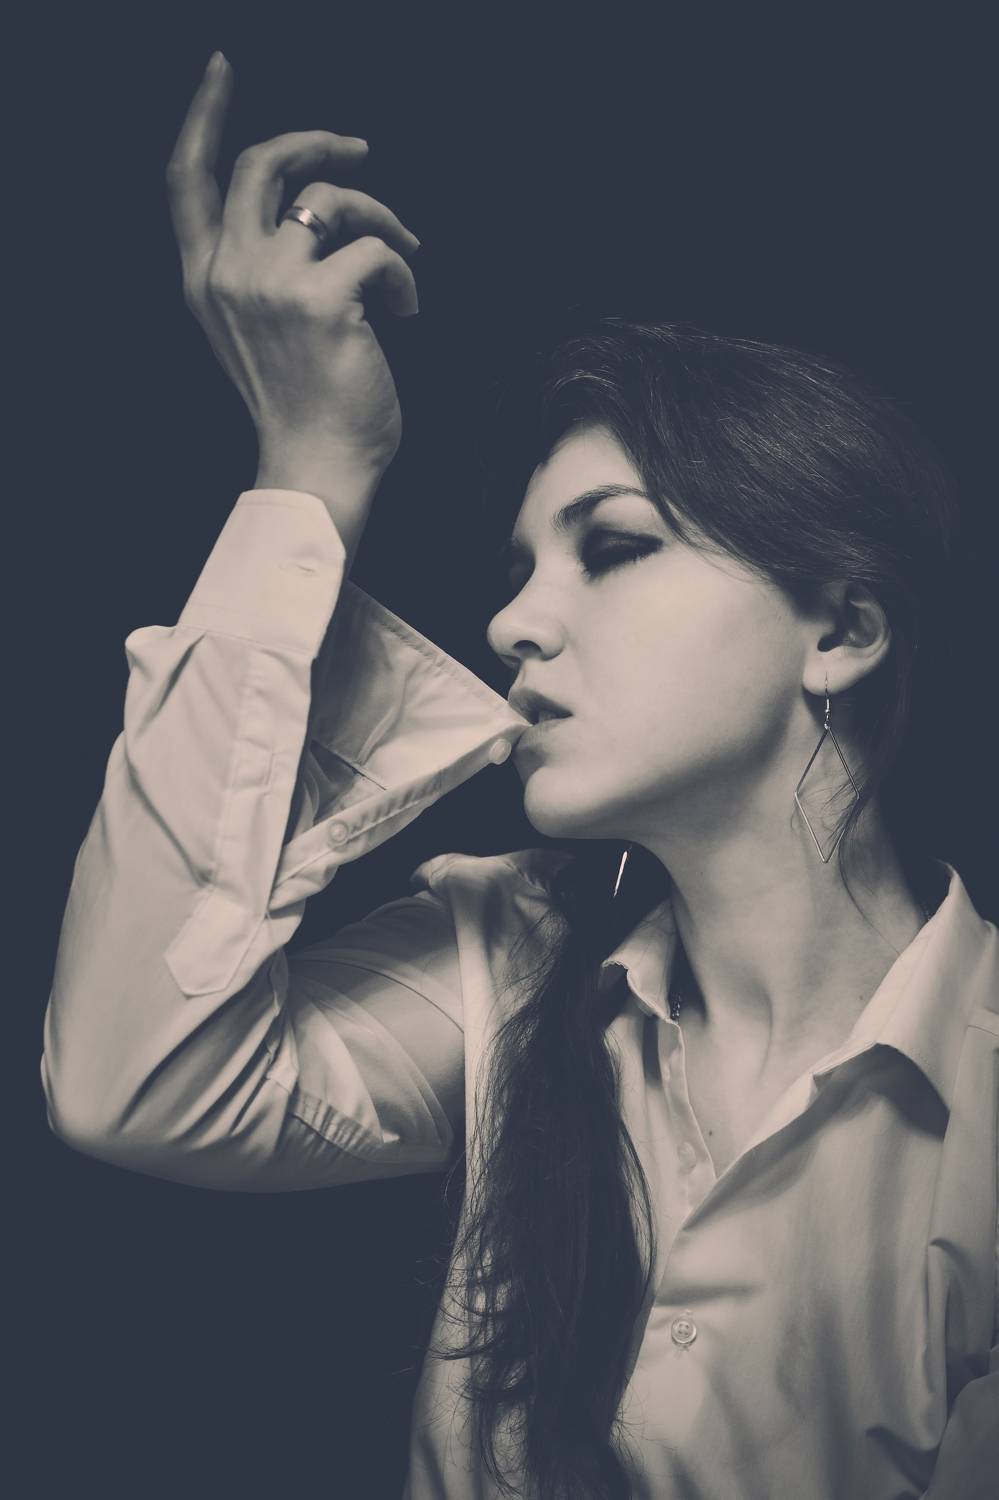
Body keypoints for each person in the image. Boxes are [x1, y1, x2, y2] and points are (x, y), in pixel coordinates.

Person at [40, 51, 997, 1500]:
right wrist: (307, 470)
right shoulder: (516, 959)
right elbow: (131, 1083)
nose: (510, 622)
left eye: (613, 547)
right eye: (520, 566)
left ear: (842, 631)